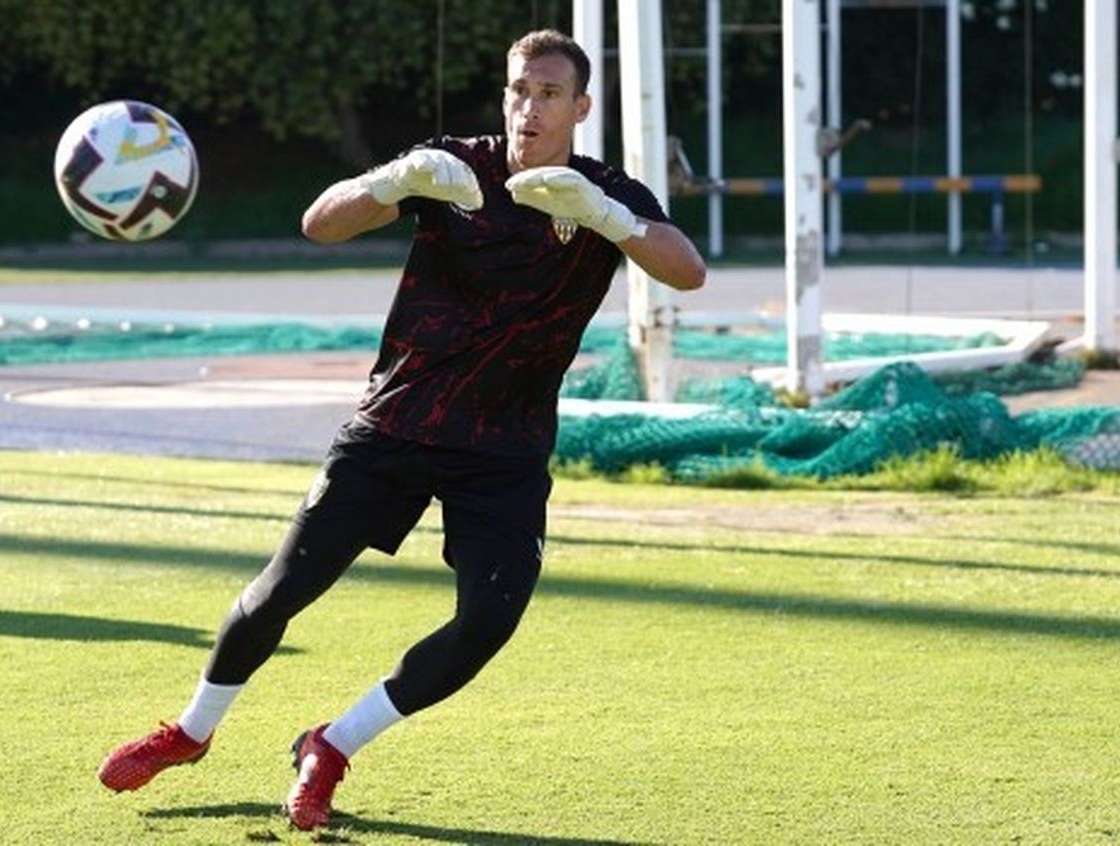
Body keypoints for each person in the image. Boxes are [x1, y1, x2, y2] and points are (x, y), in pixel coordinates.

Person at [97, 28, 705, 831]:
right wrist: (391, 180)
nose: (530, 108)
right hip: (396, 424)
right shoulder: (453, 166)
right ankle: (190, 731)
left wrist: (609, 218)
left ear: (581, 107)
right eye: (520, 90)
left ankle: (333, 745)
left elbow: (687, 270)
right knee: (282, 591)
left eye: (550, 94)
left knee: (488, 621)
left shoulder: (602, 191)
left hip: (504, 449)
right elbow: (320, 224)